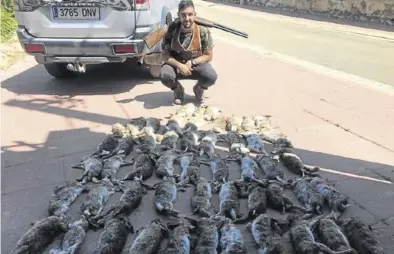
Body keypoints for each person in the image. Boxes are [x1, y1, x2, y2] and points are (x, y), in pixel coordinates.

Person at [160, 0, 218, 105]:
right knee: (165, 75)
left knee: (211, 76)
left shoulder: (202, 31)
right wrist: (180, 65)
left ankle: (199, 88)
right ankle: (178, 90)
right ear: (178, 15)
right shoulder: (172, 30)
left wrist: (192, 62)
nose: (187, 18)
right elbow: (164, 55)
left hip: (195, 66)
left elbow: (209, 56)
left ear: (195, 15)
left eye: (190, 14)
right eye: (183, 15)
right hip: (177, 67)